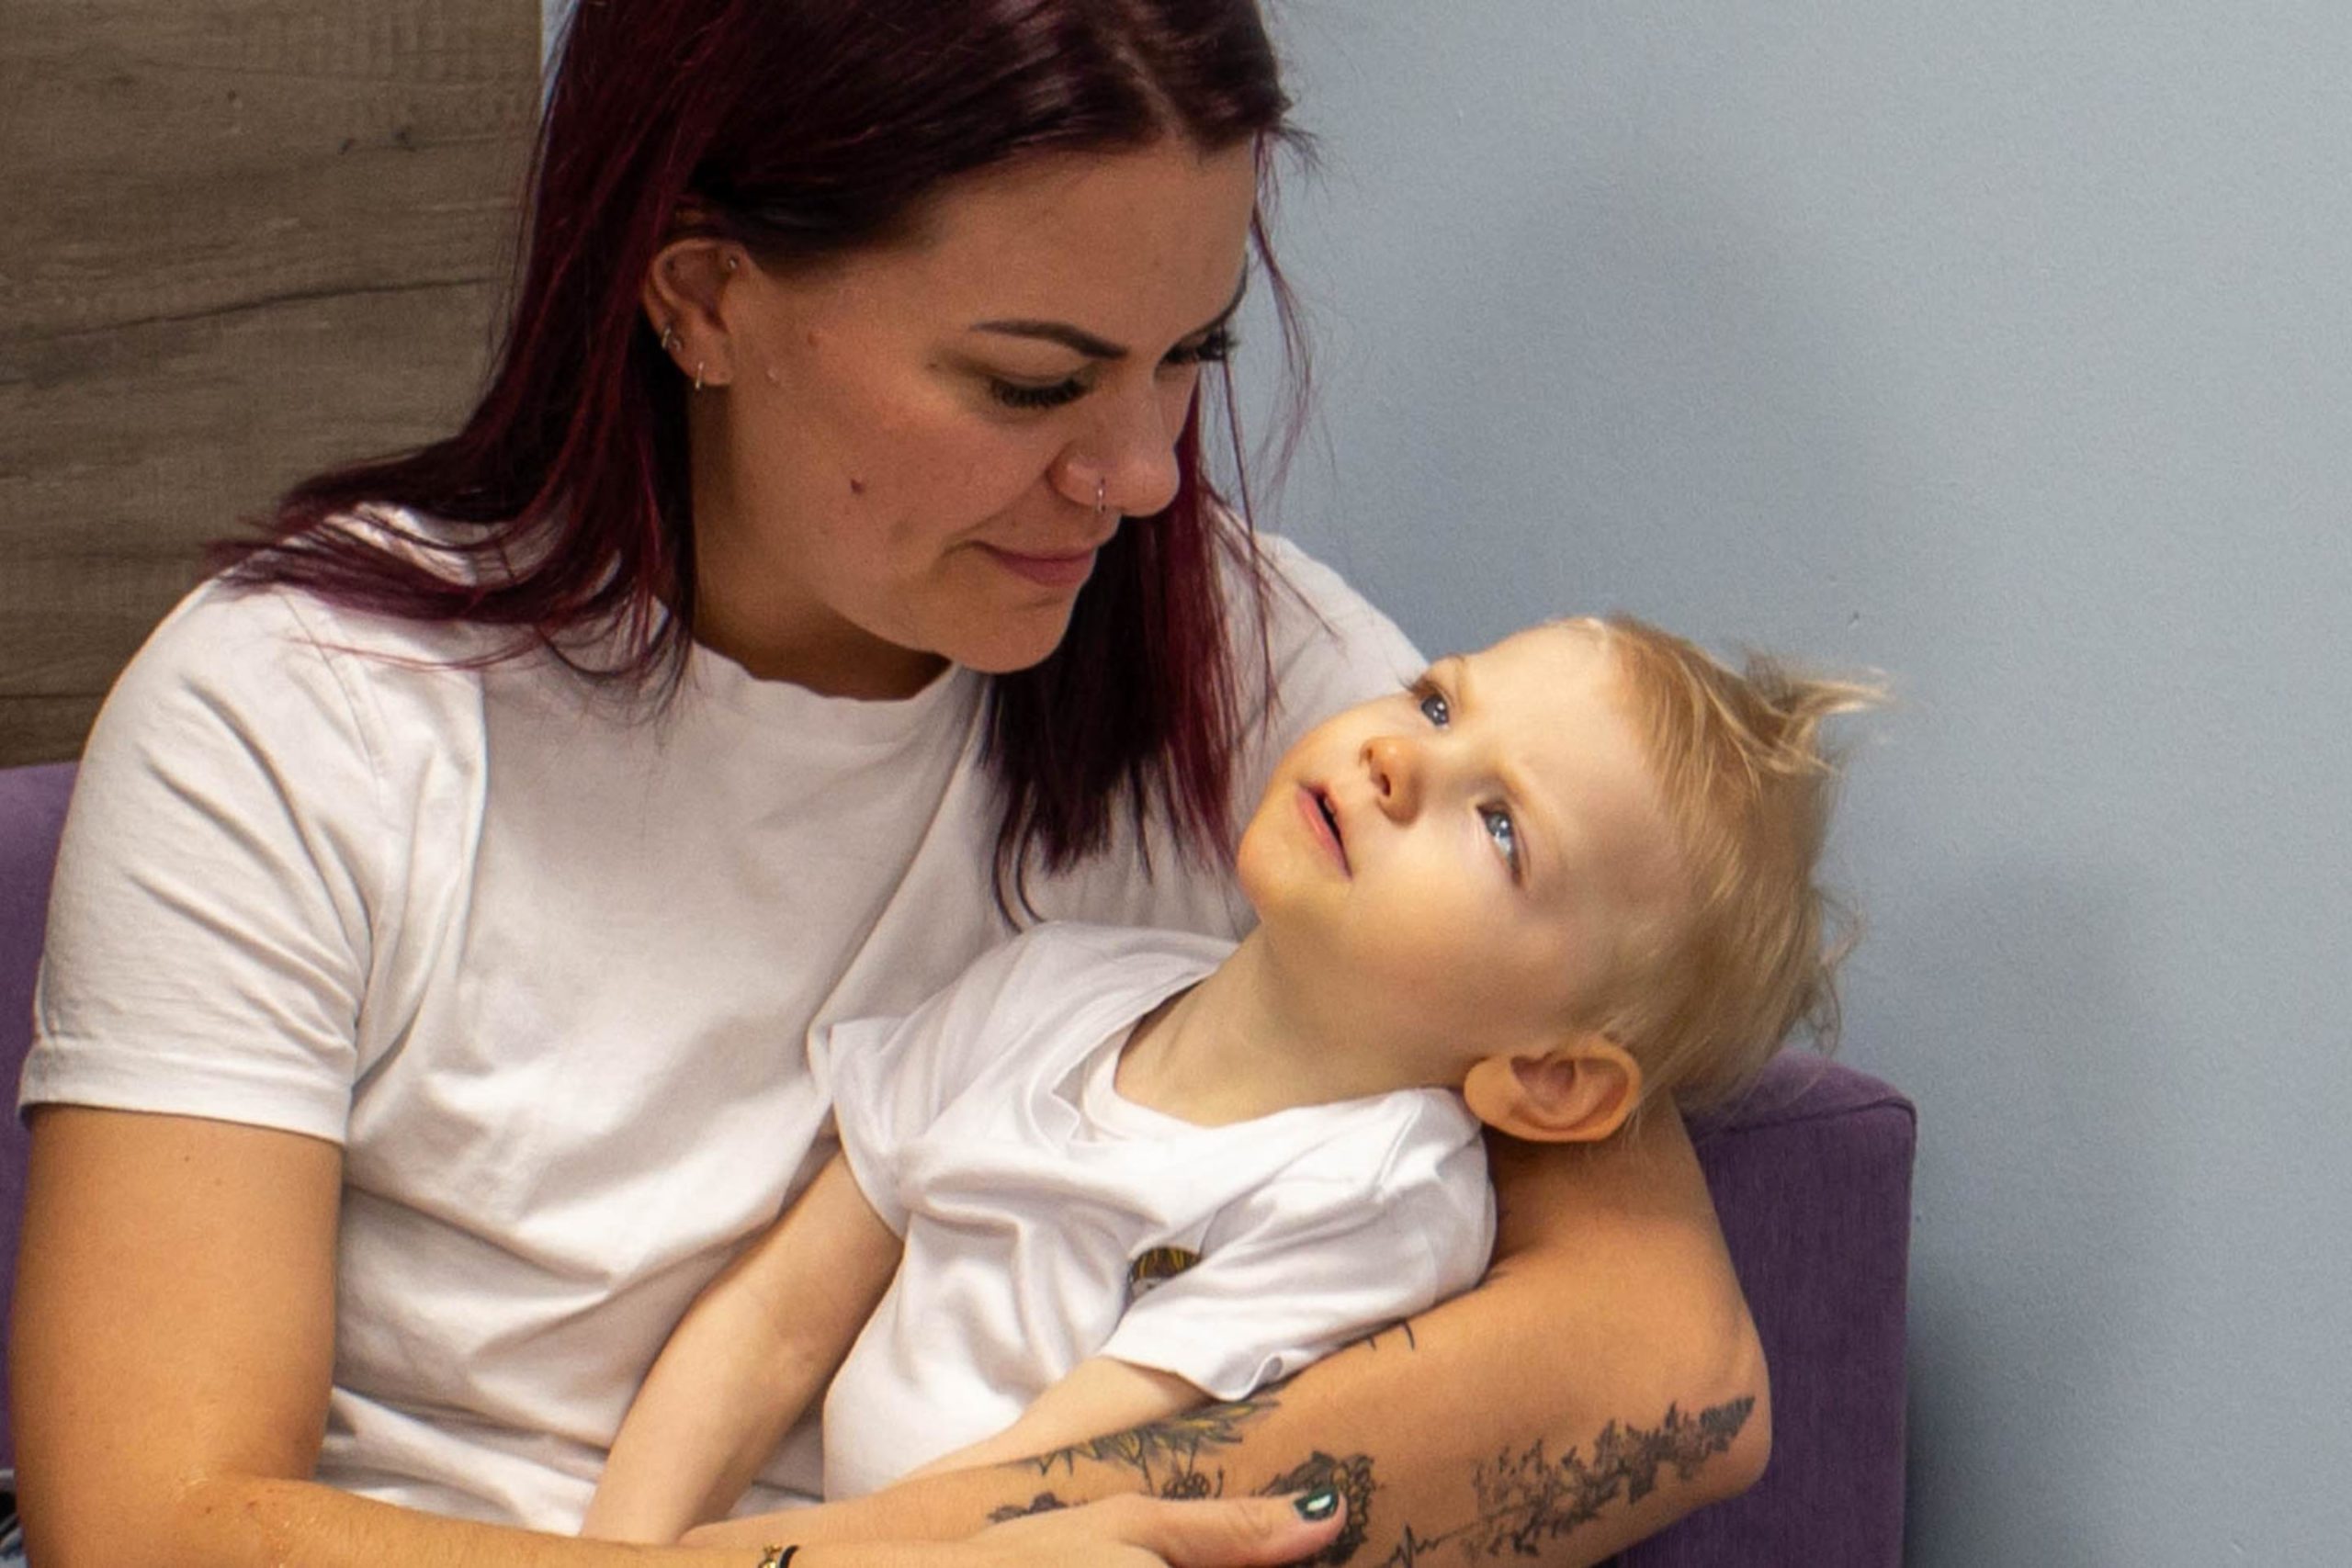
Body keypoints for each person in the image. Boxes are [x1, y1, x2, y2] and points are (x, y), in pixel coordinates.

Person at [11, 5, 1770, 1568]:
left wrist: (939, 1539)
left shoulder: (1256, 675)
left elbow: (1667, 1366)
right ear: (702, 298)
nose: (1145, 479)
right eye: (1032, 382)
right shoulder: (295, 713)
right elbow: (149, 1522)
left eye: (1190, 360)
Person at [582, 615, 1871, 1542]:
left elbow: (1065, 1474)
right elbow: (772, 1325)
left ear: (1547, 1079)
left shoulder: (1378, 1193)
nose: (1397, 757)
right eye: (1434, 700)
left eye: (1500, 827)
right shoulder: (1049, 986)